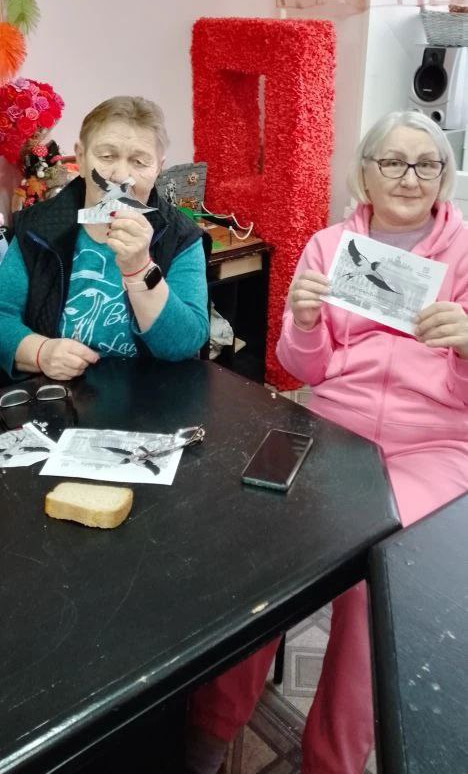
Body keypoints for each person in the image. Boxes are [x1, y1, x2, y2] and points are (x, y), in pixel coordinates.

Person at [186, 110, 468, 774]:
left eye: (426, 164)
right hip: (326, 425)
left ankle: (332, 760)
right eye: (392, 161)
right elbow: (301, 369)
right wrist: (306, 321)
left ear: (444, 176)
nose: (409, 177)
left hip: (433, 444)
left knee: (381, 578)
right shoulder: (330, 245)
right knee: (260, 534)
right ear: (365, 172)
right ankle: (211, 727)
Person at [0, 96, 210, 381]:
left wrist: (140, 269)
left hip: (149, 394)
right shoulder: (36, 228)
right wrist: (40, 351)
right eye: (107, 156)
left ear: (158, 168)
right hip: (59, 392)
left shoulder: (181, 236)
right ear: (81, 158)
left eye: (139, 161)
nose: (121, 176)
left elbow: (185, 344)